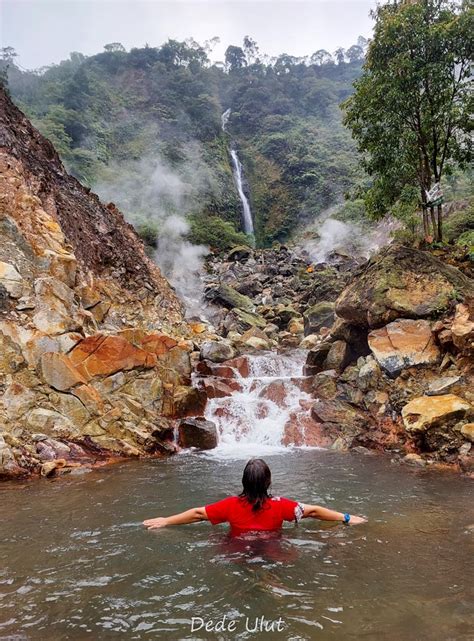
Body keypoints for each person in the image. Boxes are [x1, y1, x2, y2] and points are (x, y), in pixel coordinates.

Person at [143, 458, 367, 535]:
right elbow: (315, 511)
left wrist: (166, 521)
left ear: (243, 482)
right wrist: (346, 517)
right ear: (268, 482)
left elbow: (197, 514)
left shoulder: (230, 505)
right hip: (273, 548)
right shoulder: (282, 506)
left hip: (237, 549)